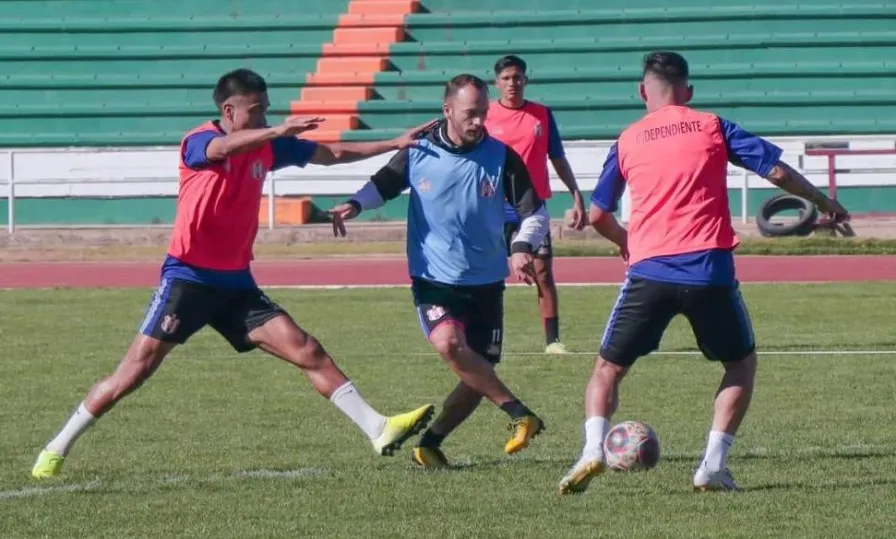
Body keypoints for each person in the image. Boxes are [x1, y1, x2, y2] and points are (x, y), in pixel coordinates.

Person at [31, 68, 439, 480]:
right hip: (188, 279)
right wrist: (278, 130)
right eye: (256, 111)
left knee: (306, 349)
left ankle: (377, 428)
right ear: (229, 110)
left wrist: (393, 143)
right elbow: (223, 148)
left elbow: (329, 154)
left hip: (235, 282)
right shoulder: (199, 141)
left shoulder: (268, 147)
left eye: (266, 111)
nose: (264, 118)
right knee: (133, 373)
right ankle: (56, 447)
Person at [557, 51, 849, 494]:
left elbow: (598, 214)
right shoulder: (712, 125)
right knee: (740, 365)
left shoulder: (628, 139)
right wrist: (824, 202)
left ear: (642, 92)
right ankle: (712, 466)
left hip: (650, 270)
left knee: (608, 369)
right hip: (709, 271)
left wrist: (626, 243)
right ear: (688, 92)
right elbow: (775, 171)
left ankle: (593, 449)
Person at [326, 74, 549, 470]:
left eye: (483, 113)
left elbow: (536, 213)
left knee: (477, 372)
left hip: (486, 281)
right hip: (433, 278)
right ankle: (520, 412)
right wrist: (353, 205)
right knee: (449, 345)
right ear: (447, 111)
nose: (479, 122)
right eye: (470, 114)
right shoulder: (419, 151)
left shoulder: (502, 156)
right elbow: (383, 185)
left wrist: (520, 248)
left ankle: (430, 444)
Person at [485, 54, 587, 355]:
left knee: (543, 272)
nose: (512, 83)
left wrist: (576, 193)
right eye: (506, 78)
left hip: (533, 208)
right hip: (493, 207)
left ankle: (553, 341)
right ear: (497, 83)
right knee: (490, 275)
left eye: (517, 77)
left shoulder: (541, 115)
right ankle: (489, 339)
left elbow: (557, 157)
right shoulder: (486, 116)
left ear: (525, 80)